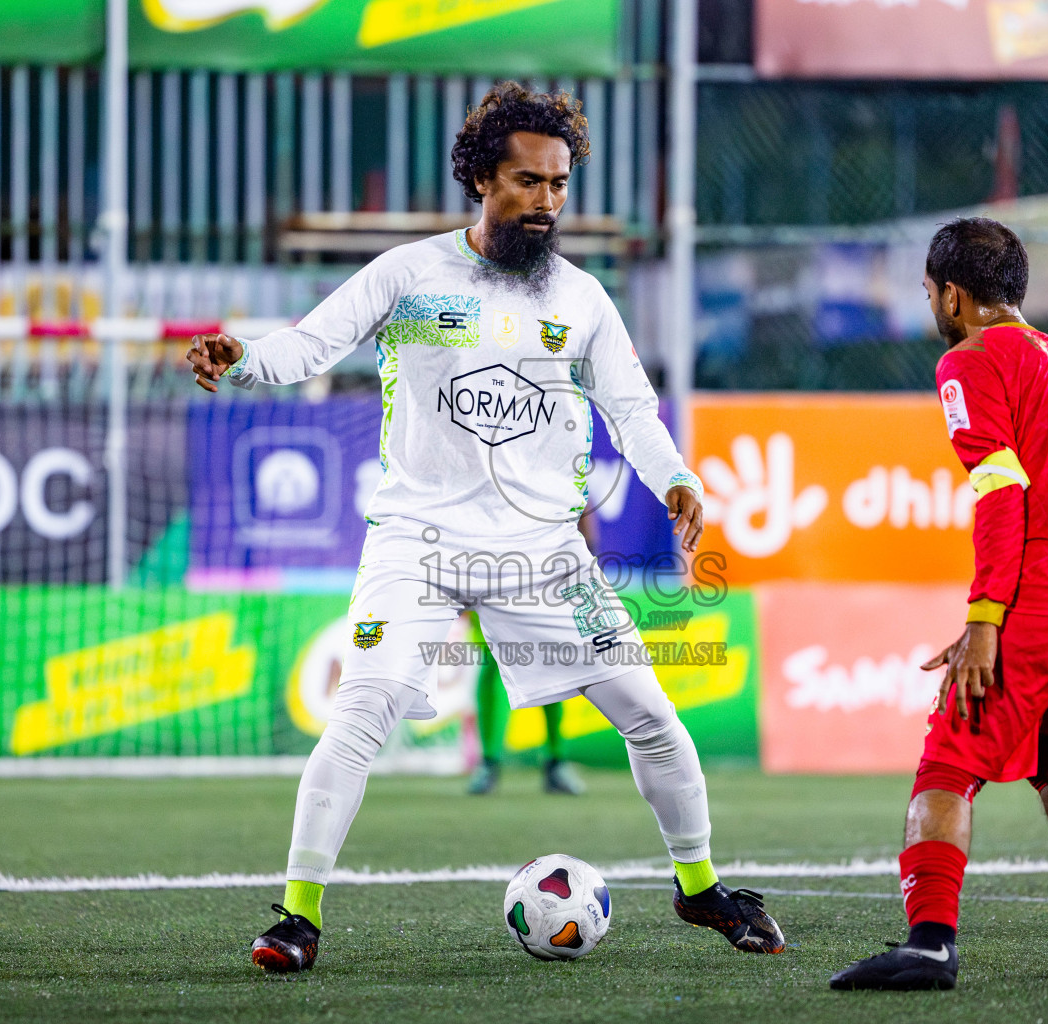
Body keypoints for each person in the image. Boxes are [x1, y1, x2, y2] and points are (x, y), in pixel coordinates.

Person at [187, 82, 786, 973]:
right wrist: (242, 358)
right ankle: (298, 917)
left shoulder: (582, 298)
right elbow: (308, 345)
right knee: (363, 709)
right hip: (417, 541)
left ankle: (700, 890)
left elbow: (632, 407)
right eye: (526, 181)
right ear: (481, 180)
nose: (546, 200)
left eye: (559, 183)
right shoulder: (409, 275)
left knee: (652, 717)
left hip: (543, 552)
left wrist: (676, 480)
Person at [830, 218, 1048, 991]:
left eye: (928, 293)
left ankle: (929, 944)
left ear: (953, 295)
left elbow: (1001, 490)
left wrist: (988, 620)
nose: (932, 308)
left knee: (949, 760)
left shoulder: (970, 358)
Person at [466, 510, 598, 797]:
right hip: (493, 570)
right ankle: (489, 761)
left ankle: (556, 760)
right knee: (493, 663)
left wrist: (581, 565)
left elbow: (581, 503)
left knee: (551, 663)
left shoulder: (554, 469)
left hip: (546, 572)